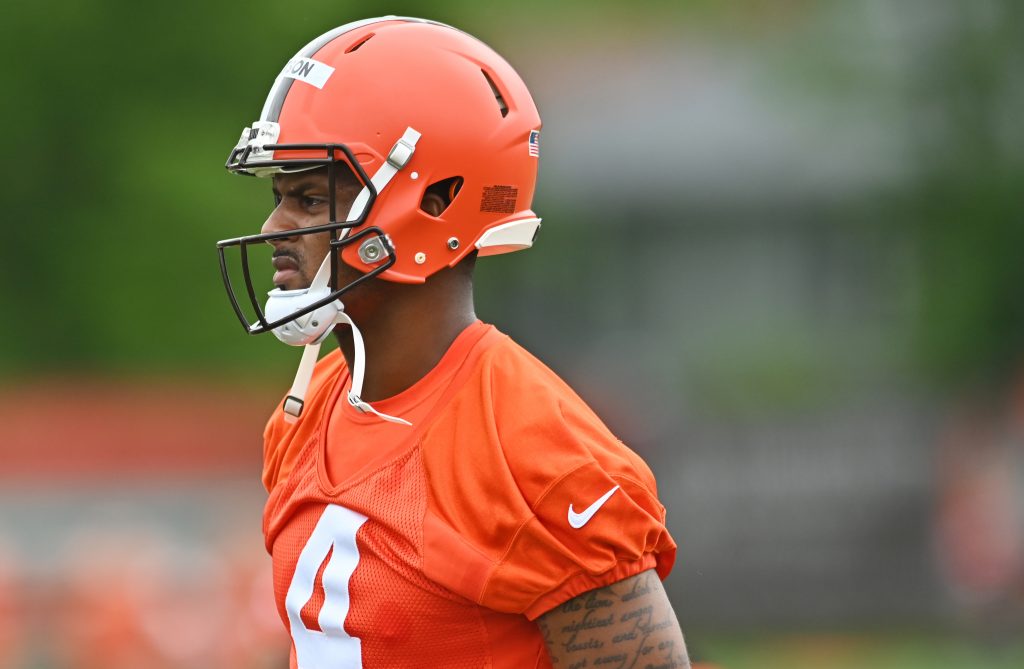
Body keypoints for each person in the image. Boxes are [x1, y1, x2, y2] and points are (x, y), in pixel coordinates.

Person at [216, 16, 689, 668]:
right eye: (279, 195)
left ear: (433, 200)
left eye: (307, 196)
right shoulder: (310, 409)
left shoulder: (532, 447)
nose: (275, 226)